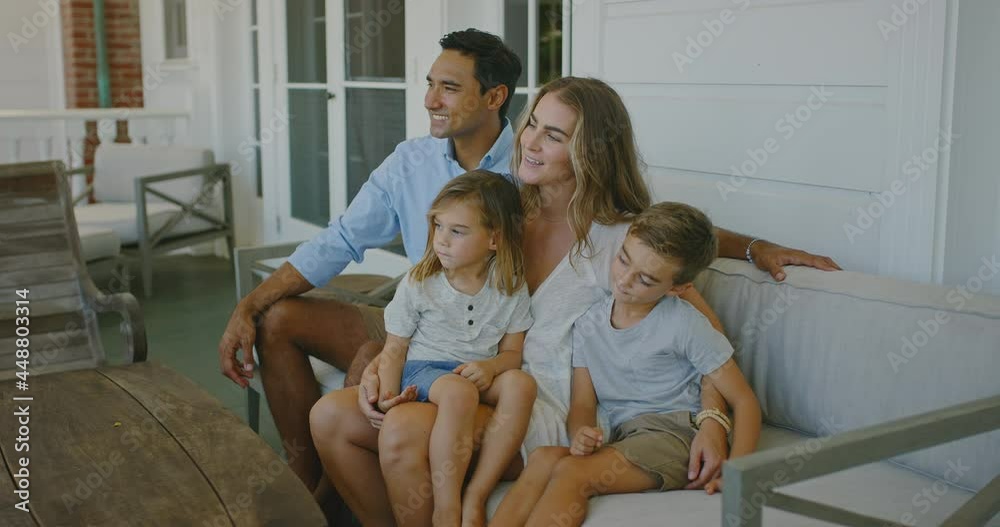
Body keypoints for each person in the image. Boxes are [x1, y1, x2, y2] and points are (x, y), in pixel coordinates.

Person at [308, 76, 839, 526]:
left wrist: (713, 421)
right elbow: (434, 290)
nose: (530, 142)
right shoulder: (500, 212)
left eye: (554, 135)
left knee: (404, 428)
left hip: (544, 409)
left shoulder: (620, 240)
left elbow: (702, 327)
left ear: (591, 152)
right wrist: (389, 359)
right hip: (468, 377)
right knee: (329, 418)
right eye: (532, 124)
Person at [216, 28, 523, 503]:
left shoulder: (528, 170)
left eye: (449, 87)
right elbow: (342, 238)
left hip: (478, 340)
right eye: (430, 84)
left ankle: (330, 495)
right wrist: (250, 304)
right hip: (412, 315)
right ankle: (305, 480)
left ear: (494, 97)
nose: (430, 100)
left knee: (369, 358)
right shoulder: (411, 160)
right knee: (278, 318)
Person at [491, 202, 761, 526]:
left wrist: (737, 472)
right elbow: (582, 402)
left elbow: (744, 401)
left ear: (677, 288)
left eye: (645, 279)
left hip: (675, 435)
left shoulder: (685, 324)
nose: (624, 280)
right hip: (625, 436)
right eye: (623, 259)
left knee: (573, 472)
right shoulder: (588, 324)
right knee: (543, 458)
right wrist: (581, 432)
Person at [354, 170, 536, 527]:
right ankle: (447, 506)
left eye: (458, 231)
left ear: (494, 239)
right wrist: (388, 397)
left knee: (521, 384)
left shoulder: (511, 285)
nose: (442, 240)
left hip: (474, 373)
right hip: (424, 369)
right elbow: (396, 348)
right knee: (458, 392)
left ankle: (477, 492)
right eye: (438, 226)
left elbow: (512, 354)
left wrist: (491, 367)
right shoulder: (421, 281)